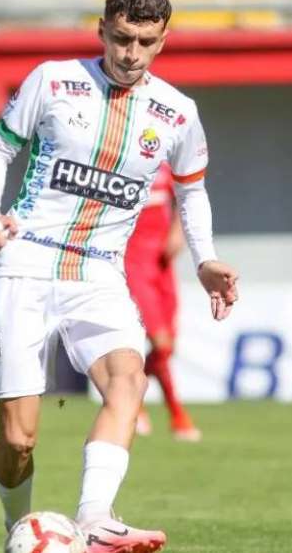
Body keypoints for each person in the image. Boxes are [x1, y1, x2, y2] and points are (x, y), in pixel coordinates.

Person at [0, 0, 238, 552]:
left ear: (163, 40)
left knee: (129, 379)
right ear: (101, 30)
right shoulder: (53, 80)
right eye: (121, 38)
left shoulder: (177, 112)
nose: (131, 53)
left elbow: (191, 191)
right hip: (25, 262)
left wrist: (206, 259)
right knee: (18, 441)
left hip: (99, 270)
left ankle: (94, 519)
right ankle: (17, 527)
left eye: (145, 42)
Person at [125, 161, 202, 442]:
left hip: (162, 264)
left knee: (169, 346)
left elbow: (186, 195)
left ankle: (130, 397)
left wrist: (178, 232)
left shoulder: (166, 162)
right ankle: (177, 414)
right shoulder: (121, 159)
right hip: (132, 262)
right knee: (159, 342)